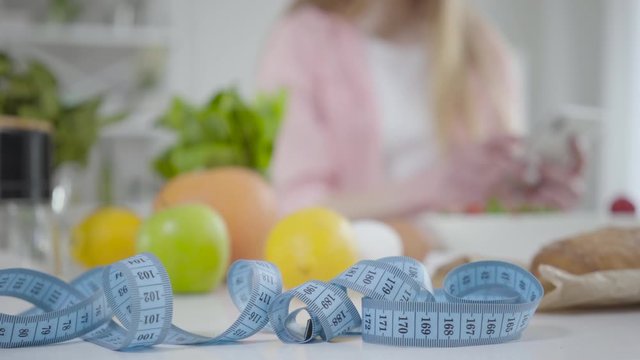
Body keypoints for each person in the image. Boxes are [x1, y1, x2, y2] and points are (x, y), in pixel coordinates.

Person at [257, 0, 582, 245]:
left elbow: (492, 200)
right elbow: (296, 209)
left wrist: (531, 192)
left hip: (463, 278)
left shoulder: (482, 47)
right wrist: (433, 187)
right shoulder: (304, 37)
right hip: (353, 276)